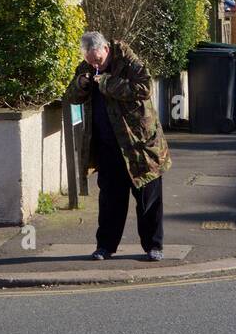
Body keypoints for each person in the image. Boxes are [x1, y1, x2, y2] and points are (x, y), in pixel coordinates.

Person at [63, 31, 171, 261]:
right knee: (111, 200)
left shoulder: (129, 61)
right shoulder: (87, 67)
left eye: (98, 61)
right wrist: (81, 84)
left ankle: (154, 246)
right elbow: (72, 97)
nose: (95, 66)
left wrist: (106, 83)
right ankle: (105, 246)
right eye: (90, 61)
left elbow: (144, 88)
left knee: (148, 199)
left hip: (140, 145)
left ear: (106, 49)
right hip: (107, 146)